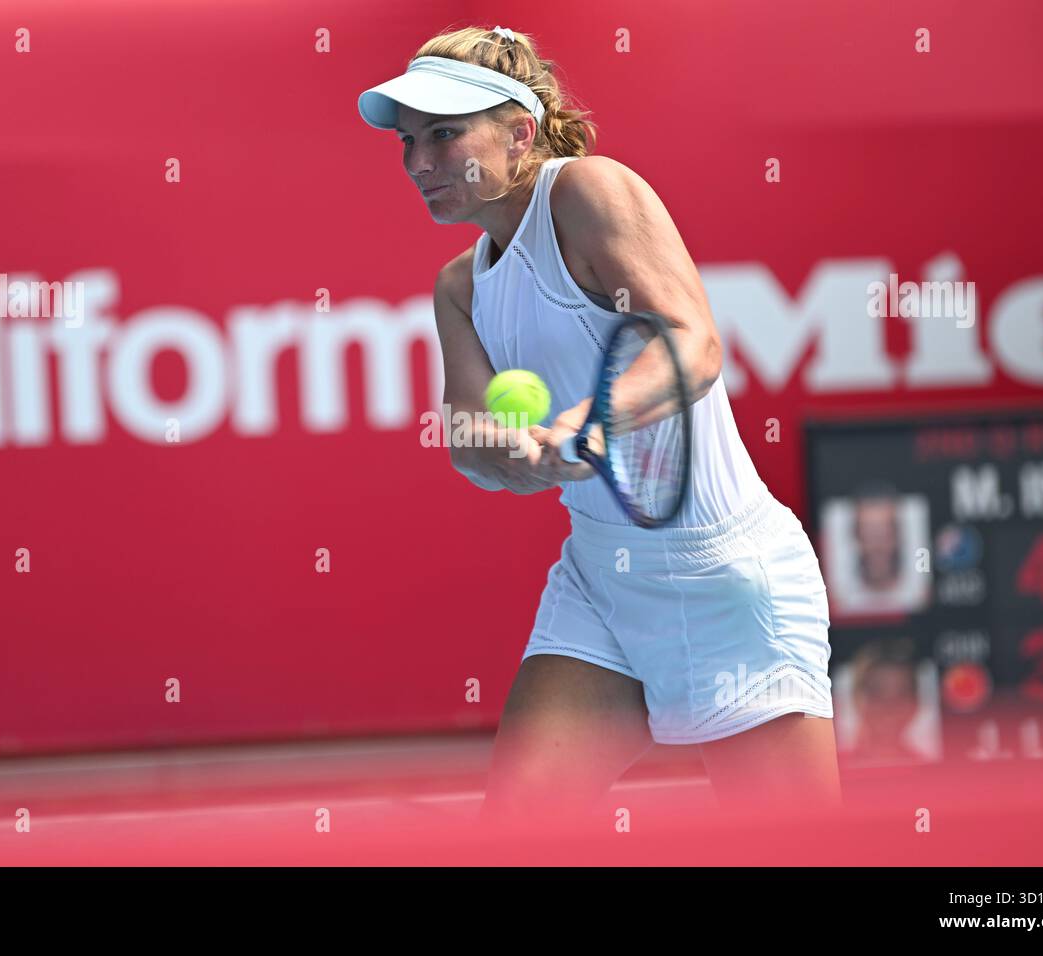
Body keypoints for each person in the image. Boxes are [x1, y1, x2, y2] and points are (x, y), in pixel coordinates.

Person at [358, 26, 841, 829]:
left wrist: (589, 424)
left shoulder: (590, 192)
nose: (418, 163)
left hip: (729, 580)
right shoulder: (458, 288)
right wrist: (512, 457)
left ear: (521, 132)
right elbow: (467, 441)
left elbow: (694, 340)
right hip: (601, 586)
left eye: (444, 135)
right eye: (409, 142)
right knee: (514, 833)